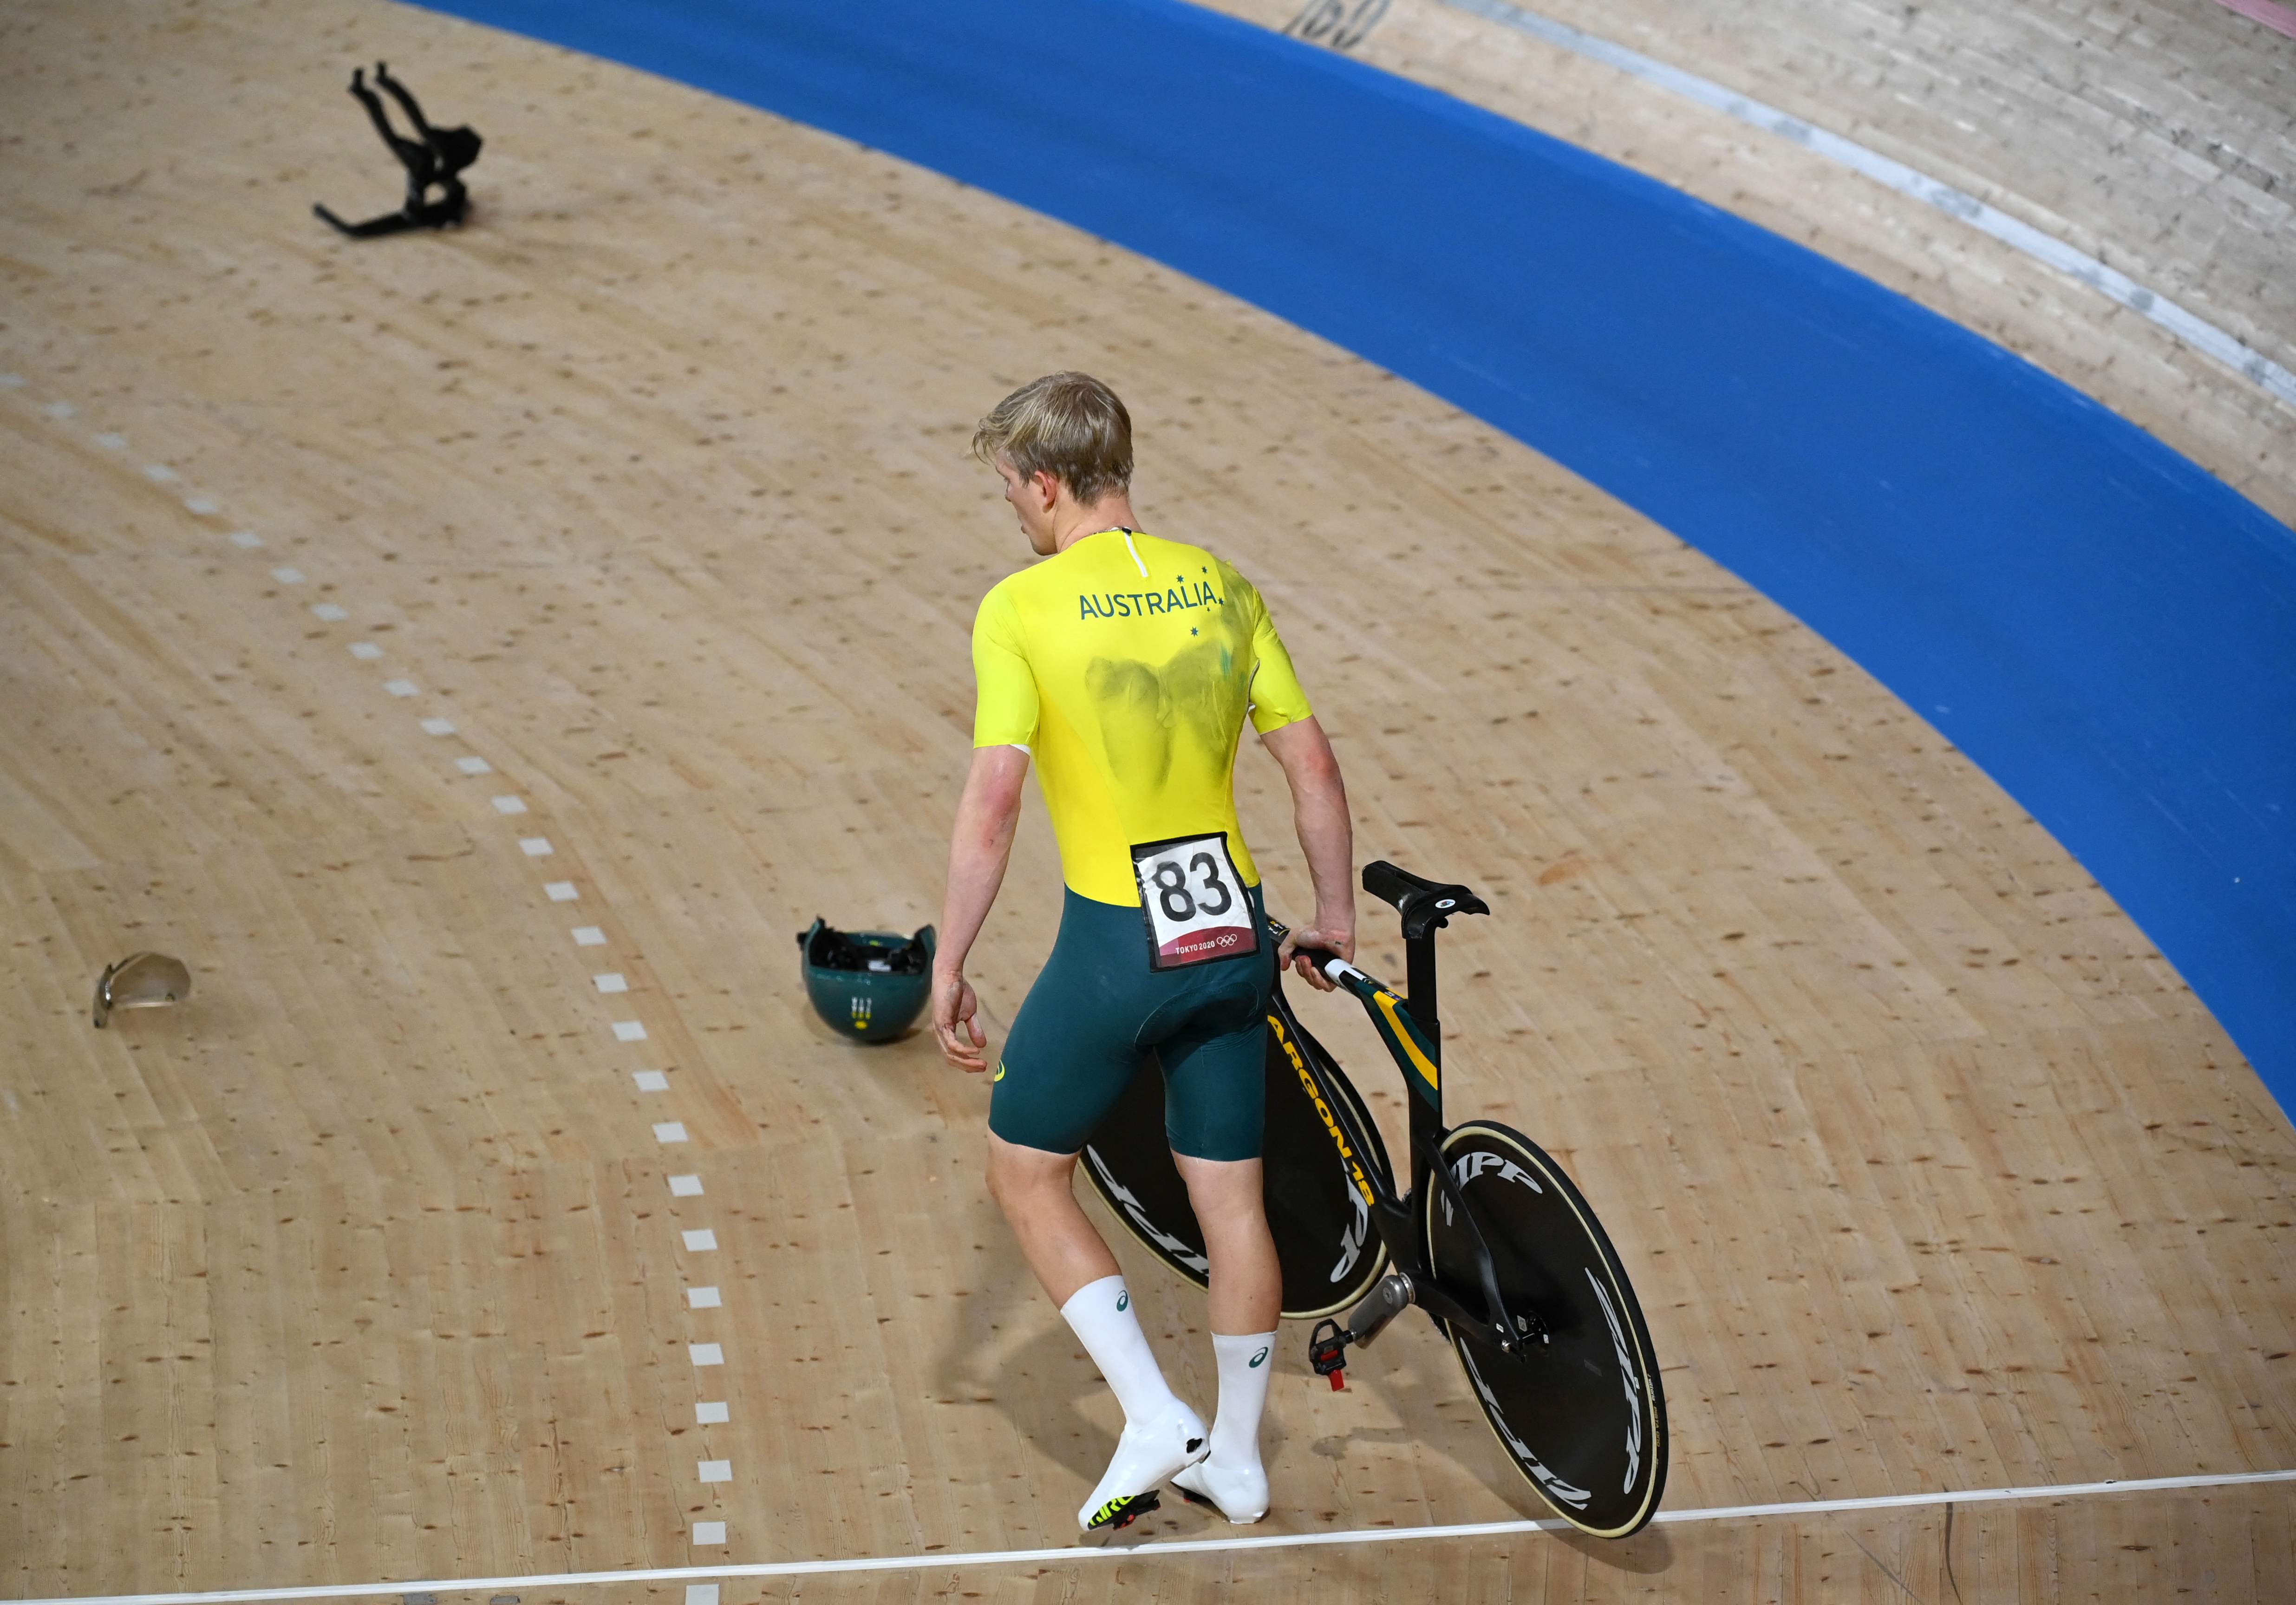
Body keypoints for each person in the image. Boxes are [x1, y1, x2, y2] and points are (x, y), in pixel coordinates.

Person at [931, 372, 1356, 1533]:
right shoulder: (1223, 584)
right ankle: (1239, 1463)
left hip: (1121, 942)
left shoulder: (1021, 609)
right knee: (1232, 1201)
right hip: (1233, 931)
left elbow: (994, 807)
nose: (1014, 513)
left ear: (1049, 482)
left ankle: (1152, 1413)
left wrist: (952, 959)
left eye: (1012, 490)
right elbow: (1311, 768)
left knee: (1024, 1169)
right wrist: (1331, 919)